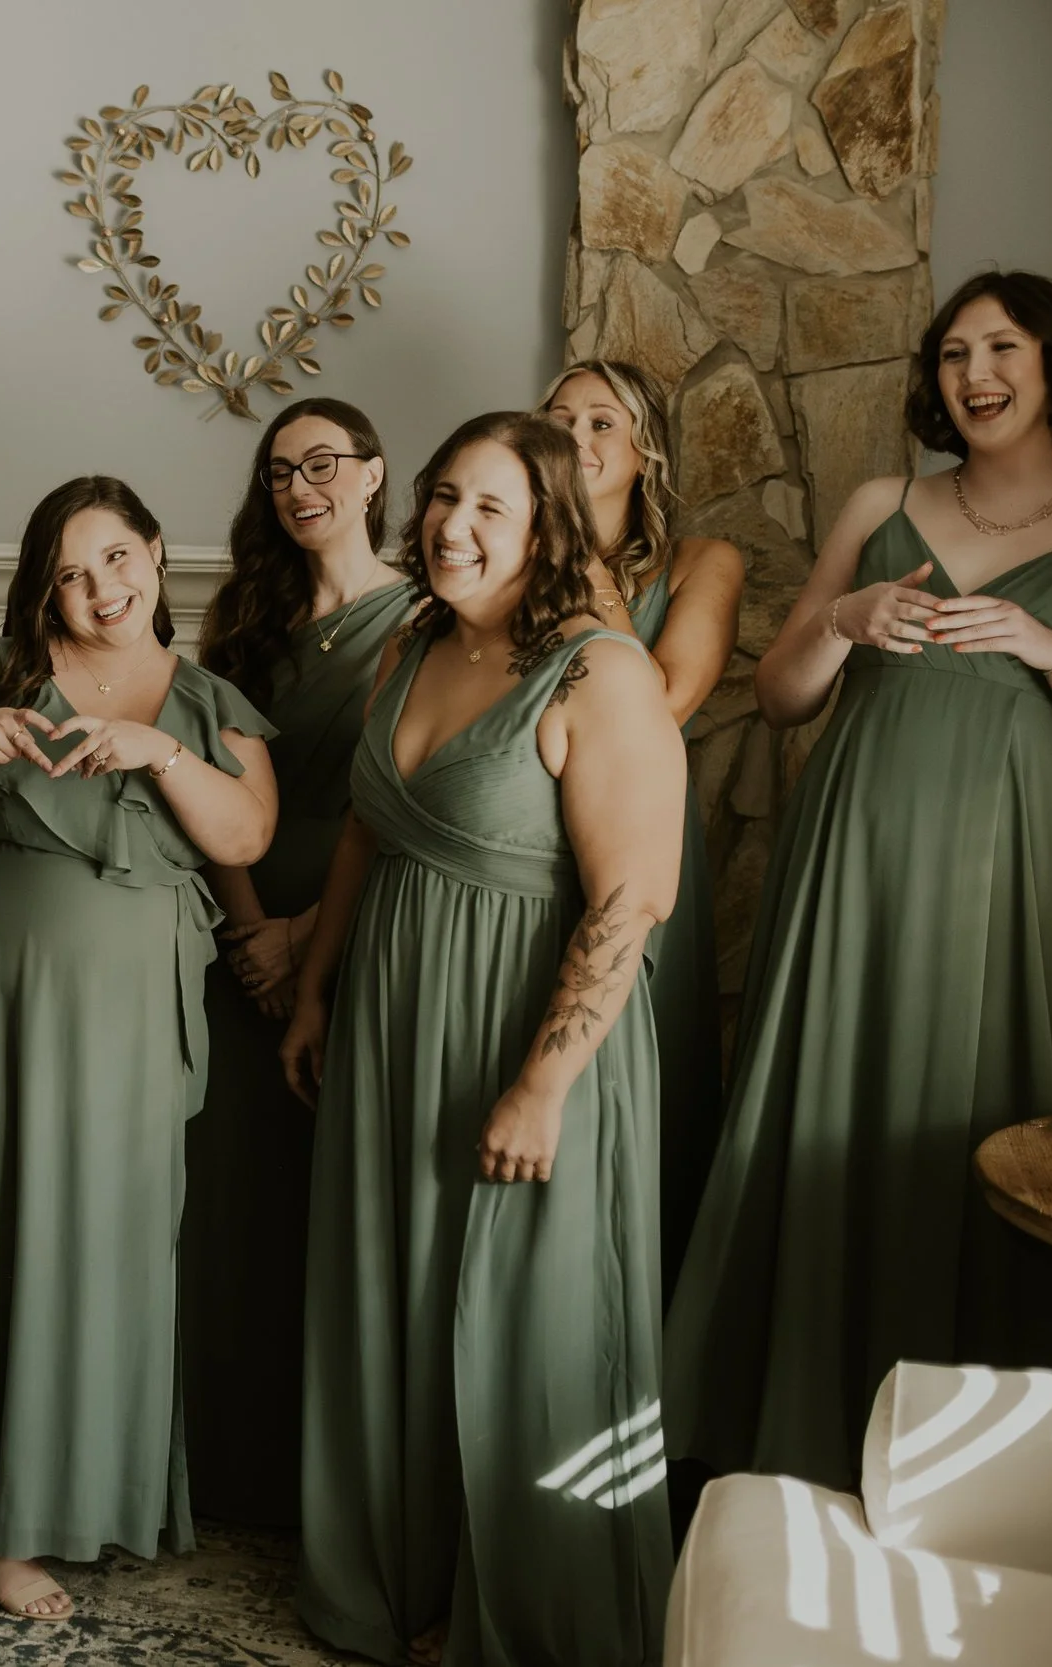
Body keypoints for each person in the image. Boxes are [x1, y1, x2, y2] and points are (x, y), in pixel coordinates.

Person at [0, 476, 278, 1622]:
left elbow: (246, 833)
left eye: (117, 557)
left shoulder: (207, 699)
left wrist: (155, 751)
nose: (100, 588)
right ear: (44, 588)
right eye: (72, 572)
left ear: (156, 552)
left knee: (98, 1241)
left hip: (124, 1021)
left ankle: (72, 1492)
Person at [664, 271, 1052, 1492]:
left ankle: (977, 1463)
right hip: (854, 856)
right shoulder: (883, 501)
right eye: (952, 353)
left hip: (1015, 866)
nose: (973, 374)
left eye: (1001, 347)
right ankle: (793, 1421)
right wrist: (843, 618)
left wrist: (1051, 647)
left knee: (987, 1112)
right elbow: (781, 697)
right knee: (829, 1105)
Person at [282, 412, 683, 1667]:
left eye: (490, 507)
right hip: (392, 1018)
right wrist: (315, 987)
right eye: (445, 495)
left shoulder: (599, 675)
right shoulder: (416, 639)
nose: (452, 526)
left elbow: (632, 898)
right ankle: (398, 1577)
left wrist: (542, 1083)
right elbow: (368, 824)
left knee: (523, 1322)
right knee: (392, 1293)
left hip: (525, 1031)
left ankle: (522, 1611)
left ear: (548, 528)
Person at [185, 398, 413, 1528]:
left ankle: (320, 1481)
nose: (298, 487)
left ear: (373, 475)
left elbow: (403, 802)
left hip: (358, 921)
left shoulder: (423, 616)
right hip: (237, 932)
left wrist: (305, 939)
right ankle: (222, 1465)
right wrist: (248, 935)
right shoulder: (244, 615)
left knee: (335, 1196)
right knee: (232, 1198)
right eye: (279, 471)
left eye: (322, 463)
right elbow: (203, 774)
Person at [540, 361, 742, 1294]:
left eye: (600, 422)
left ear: (645, 450)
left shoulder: (704, 564)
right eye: (558, 420)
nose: (575, 437)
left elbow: (663, 699)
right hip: (530, 840)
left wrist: (580, 556)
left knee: (629, 1072)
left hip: (640, 845)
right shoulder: (507, 555)